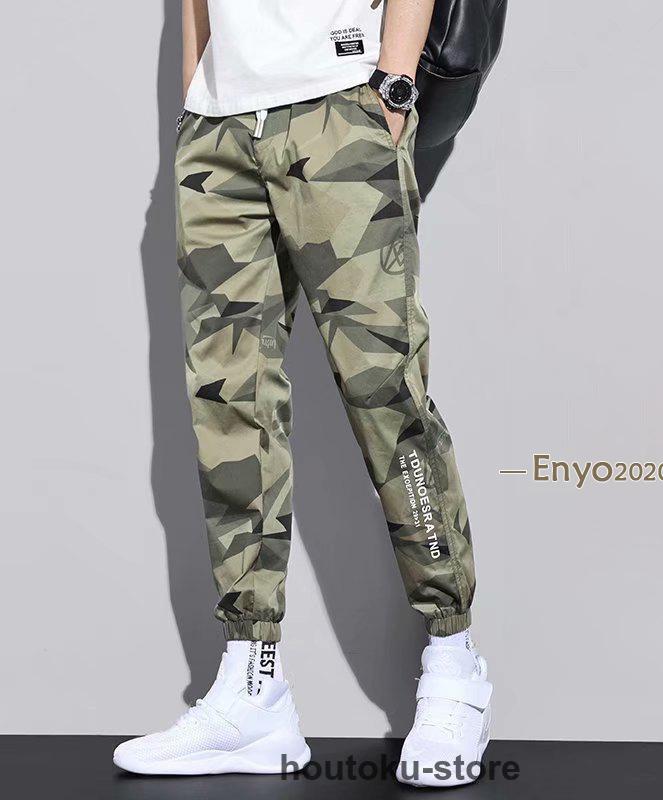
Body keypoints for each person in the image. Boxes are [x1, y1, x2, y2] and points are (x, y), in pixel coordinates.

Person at [113, 0, 491, 787]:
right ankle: (252, 689)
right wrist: (193, 109)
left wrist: (393, 88)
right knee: (230, 407)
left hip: (340, 108)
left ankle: (454, 661)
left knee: (385, 393)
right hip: (218, 132)